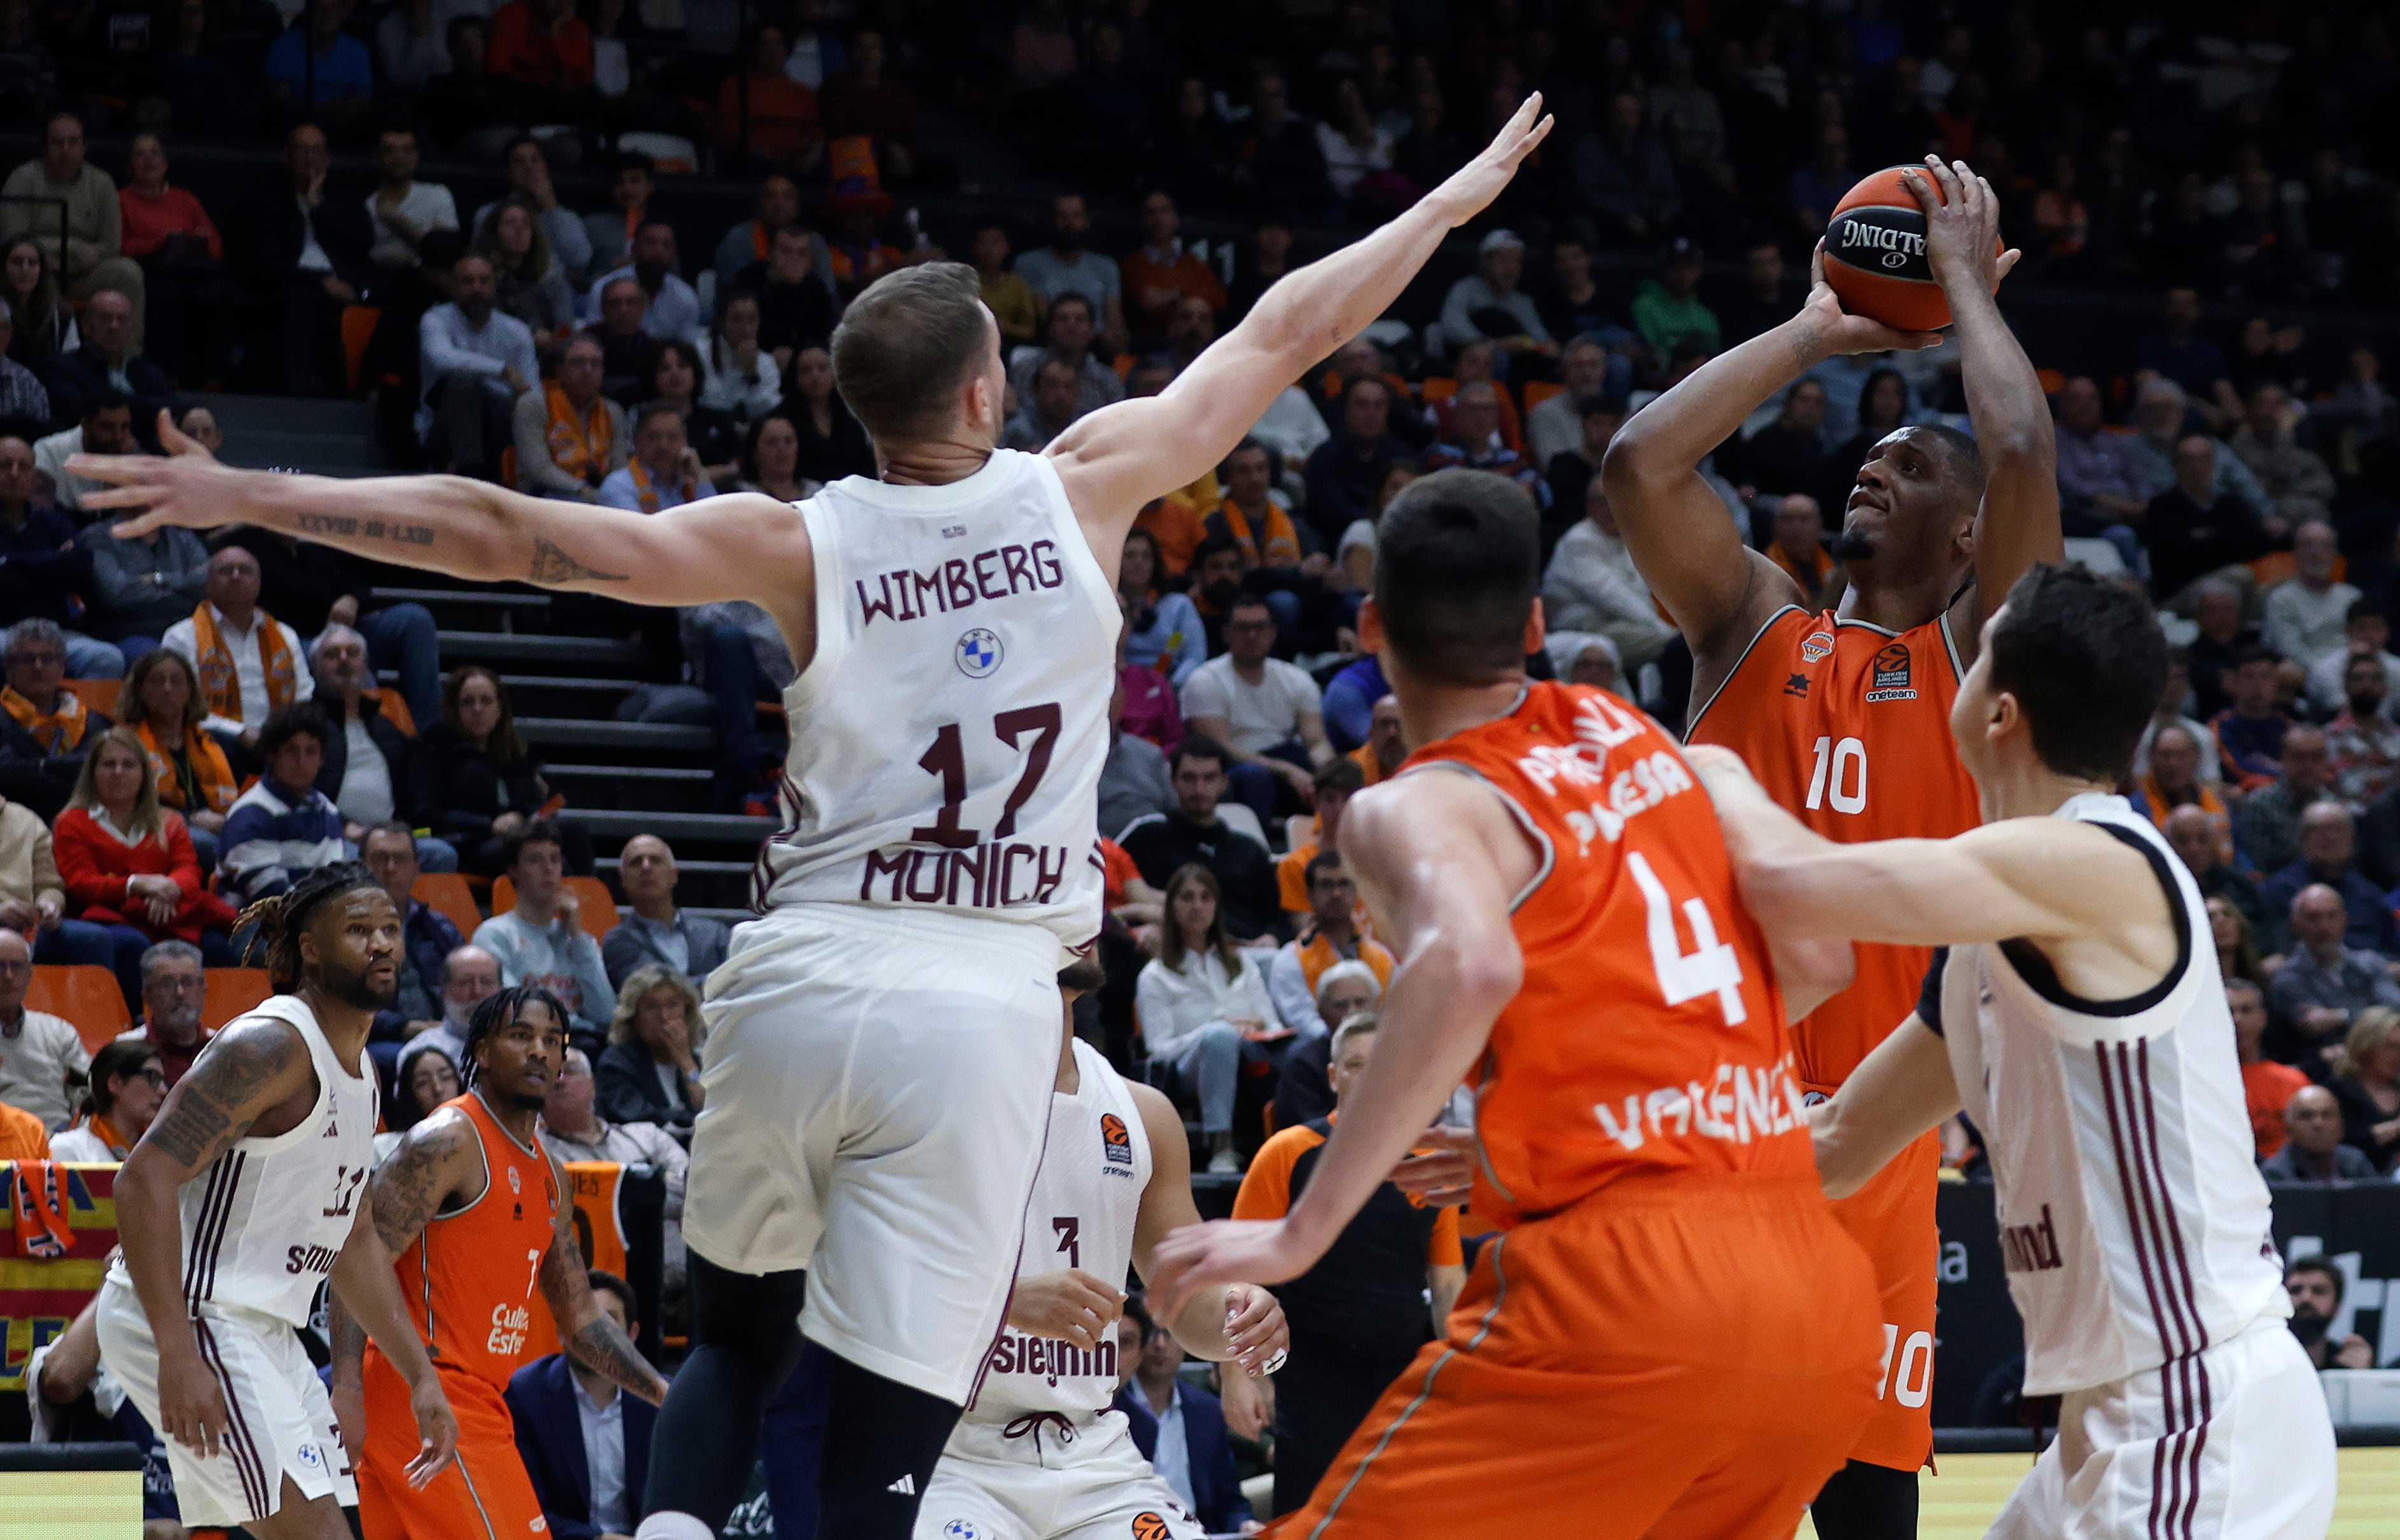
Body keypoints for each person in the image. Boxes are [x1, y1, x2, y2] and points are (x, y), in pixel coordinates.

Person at [69, 99, 1552, 1540]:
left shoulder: (798, 539)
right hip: (970, 997)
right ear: (984, 392)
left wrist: (256, 486)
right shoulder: (1085, 484)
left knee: (735, 1338)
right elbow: (1282, 328)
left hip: (791, 974)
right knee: (885, 1442)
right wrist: (1442, 202)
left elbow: (512, 531)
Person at [1151, 468, 1883, 1538]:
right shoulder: (1677, 758)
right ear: (1537, 622)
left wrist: (1301, 1232)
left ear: (1370, 626)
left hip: (1623, 1293)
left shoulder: (1419, 802)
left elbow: (1470, 966)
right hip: (1812, 1295)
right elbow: (1819, 953)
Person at [1599, 156, 2058, 1536]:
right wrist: (1812, 327)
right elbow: (1639, 462)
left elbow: (2024, 450)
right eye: (1867, 450)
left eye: (1910, 462)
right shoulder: (1753, 620)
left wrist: (1964, 289)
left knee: (1864, 1521)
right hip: (1703, 1138)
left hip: (1874, 1156)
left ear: (1965, 531)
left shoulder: (1978, 661)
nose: (1872, 459)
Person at [1698, 564, 2338, 1540]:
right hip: (2106, 1424)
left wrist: (1704, 767)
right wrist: (1563, 1162)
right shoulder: (1991, 935)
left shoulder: (2098, 860)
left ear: (1996, 714)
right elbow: (1831, 1147)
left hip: (2196, 1409)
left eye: (1976, 653)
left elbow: (1792, 883)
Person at [94, 864, 461, 1539]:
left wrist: (420, 1376)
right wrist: (177, 1349)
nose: (382, 943)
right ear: (311, 948)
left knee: (317, 1532)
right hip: (196, 1315)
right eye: (358, 930)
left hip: (263, 1328)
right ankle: (35, 1502)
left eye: (389, 929)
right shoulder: (270, 1046)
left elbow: (354, 1244)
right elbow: (141, 1179)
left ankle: (36, 1507)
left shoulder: (363, 1074)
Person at [919, 961, 1285, 1540]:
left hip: (1089, 1450)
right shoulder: (923, 1093)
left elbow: (1195, 1317)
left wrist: (1245, 1317)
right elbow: (857, 1292)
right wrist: (1006, 1301)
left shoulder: (1141, 1114)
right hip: (949, 1451)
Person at [333, 982, 667, 1540]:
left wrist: (663, 1391)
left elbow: (582, 1323)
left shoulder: (552, 1178)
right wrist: (346, 1390)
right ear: (482, 1052)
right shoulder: (448, 1140)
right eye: (520, 1036)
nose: (539, 1050)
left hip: (475, 1397)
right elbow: (353, 1261)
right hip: (422, 1389)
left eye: (551, 1040)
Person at [1232, 1012, 1463, 1516]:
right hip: (1311, 1377)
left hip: (1401, 1372)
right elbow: (1238, 1275)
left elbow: (1447, 1284)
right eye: (1356, 1064)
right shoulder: (1288, 1152)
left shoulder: (1429, 1162)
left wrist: (1462, 1372)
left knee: (1400, 1515)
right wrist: (1239, 1376)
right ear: (1334, 1077)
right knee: (1309, 1513)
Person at [53, 725, 239, 996]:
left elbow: (188, 868)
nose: (118, 772)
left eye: (128, 765)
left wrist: (167, 888)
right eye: (108, 764)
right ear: (92, 773)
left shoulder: (170, 821)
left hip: (170, 913)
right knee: (132, 945)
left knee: (215, 946)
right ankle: (140, 1022)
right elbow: (81, 882)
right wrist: (136, 884)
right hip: (106, 918)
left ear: (144, 774)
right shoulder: (71, 822)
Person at [1136, 864, 1281, 1173]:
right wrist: (1215, 1030)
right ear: (1172, 907)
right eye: (1187, 898)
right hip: (1186, 1066)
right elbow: (1159, 1049)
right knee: (1219, 1039)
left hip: (1249, 1052)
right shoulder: (1156, 975)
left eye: (1205, 897)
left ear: (1216, 906)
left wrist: (1252, 1026)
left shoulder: (1241, 963)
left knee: (1300, 1046)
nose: (1197, 906)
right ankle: (1221, 1145)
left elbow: (1274, 1025)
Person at [506, 1268, 663, 1539]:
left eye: (608, 1321)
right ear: (560, 1331)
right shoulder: (525, 1396)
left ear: (633, 1333)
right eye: (579, 1319)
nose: (594, 1333)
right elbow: (524, 1510)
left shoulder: (661, 1400)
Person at [1109, 1298, 1257, 1536]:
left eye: (1170, 1334)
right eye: (1153, 1335)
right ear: (1140, 1347)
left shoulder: (1207, 1411)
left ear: (1190, 1342)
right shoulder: (1110, 1406)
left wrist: (1244, 1523)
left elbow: (1229, 1501)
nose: (1160, 1345)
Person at [1181, 595, 1332, 827]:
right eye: (1242, 628)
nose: (1252, 636)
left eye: (1260, 627)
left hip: (1287, 760)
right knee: (1256, 777)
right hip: (1234, 768)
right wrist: (1286, 770)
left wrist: (1329, 774)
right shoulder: (1205, 681)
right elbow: (1220, 748)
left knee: (1328, 773)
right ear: (1226, 634)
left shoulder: (1297, 679)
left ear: (1272, 632)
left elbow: (1316, 742)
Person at [1117, 740, 1282, 941]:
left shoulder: (1249, 850)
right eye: (1189, 779)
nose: (1199, 789)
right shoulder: (1146, 838)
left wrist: (1272, 937)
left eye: (1209, 778)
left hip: (1249, 952)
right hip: (1171, 947)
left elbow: (1277, 916)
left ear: (1224, 782)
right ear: (1173, 782)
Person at [162, 545, 312, 756]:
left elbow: (303, 697)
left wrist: (281, 734)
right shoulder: (182, 636)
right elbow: (180, 706)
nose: (236, 576)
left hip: (280, 743)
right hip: (213, 742)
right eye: (225, 571)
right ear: (208, 583)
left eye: (245, 571)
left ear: (259, 583)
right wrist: (240, 732)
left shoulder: (285, 635)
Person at [408, 666, 557, 877]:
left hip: (520, 835)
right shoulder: (434, 748)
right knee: (527, 852)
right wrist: (491, 825)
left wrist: (532, 811)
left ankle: (582, 904)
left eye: (486, 701)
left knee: (572, 831)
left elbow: (529, 802)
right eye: (468, 702)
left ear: (499, 708)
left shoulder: (515, 751)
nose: (477, 709)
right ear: (454, 710)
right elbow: (426, 812)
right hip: (468, 842)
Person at [472, 821, 614, 1041]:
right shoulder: (494, 935)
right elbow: (516, 1013)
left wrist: (578, 937)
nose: (548, 868)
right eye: (535, 860)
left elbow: (606, 1014)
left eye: (555, 860)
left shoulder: (576, 939)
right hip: (532, 1043)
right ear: (514, 871)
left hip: (582, 1041)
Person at [0, 113, 146, 322]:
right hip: (38, 271)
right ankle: (48, 349)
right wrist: (70, 251)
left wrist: (79, 260)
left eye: (73, 142)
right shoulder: (22, 179)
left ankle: (127, 353)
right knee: (31, 269)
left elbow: (112, 244)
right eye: (58, 143)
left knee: (128, 272)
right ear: (45, 147)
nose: (65, 150)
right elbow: (12, 240)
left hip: (86, 271)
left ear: (84, 147)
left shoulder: (102, 183)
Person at [1539, 476, 1676, 674]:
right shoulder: (1579, 542)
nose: (1611, 507)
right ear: (1589, 506)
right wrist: (1663, 629)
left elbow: (1641, 594)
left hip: (1623, 623)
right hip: (1584, 630)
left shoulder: (1627, 537)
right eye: (1603, 501)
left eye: (1618, 499)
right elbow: (1614, 597)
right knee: (1673, 644)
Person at [418, 253, 536, 478]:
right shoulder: (435, 320)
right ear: (453, 287)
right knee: (464, 383)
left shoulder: (517, 331)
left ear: (494, 286)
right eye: (468, 281)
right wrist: (502, 370)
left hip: (499, 424)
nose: (477, 289)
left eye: (484, 281)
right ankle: (468, 471)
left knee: (525, 404)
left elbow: (531, 389)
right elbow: (442, 359)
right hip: (443, 430)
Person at [218, 705, 345, 906]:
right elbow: (269, 896)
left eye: (310, 752)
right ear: (272, 756)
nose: (301, 762)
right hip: (256, 925)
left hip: (314, 920)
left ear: (322, 759)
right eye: (291, 751)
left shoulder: (327, 810)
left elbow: (336, 881)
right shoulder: (250, 814)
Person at [117, 648, 235, 864]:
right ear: (140, 691)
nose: (167, 689)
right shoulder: (125, 744)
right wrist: (190, 819)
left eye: (177, 681)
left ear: (190, 689)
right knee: (203, 844)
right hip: (153, 828)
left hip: (217, 823)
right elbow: (125, 805)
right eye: (157, 681)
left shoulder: (212, 741)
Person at [1267, 852, 1393, 1041]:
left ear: (1356, 892)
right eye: (1327, 885)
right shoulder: (1290, 961)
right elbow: (1305, 1024)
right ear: (1309, 895)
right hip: (1324, 1052)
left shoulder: (1382, 956)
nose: (1337, 893)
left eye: (1344, 884)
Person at [1, 618, 114, 822]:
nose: (38, 667)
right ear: (9, 670)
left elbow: (103, 773)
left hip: (86, 823)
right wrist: (67, 770)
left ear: (62, 667)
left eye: (48, 659)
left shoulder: (92, 721)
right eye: (27, 659)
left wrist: (40, 767)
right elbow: (6, 777)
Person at [2258, 803, 2398, 954]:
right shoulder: (2281, 890)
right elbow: (2281, 951)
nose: (2331, 837)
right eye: (2320, 830)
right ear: (2302, 838)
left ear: (2353, 838)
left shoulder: (2371, 894)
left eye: (2338, 829)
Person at [43, 288, 176, 436]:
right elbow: (77, 412)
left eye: (122, 319)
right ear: (86, 325)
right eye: (106, 318)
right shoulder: (62, 369)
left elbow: (171, 410)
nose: (114, 326)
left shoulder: (147, 372)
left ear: (132, 329)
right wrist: (145, 408)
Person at [603, 834, 729, 989]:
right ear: (623, 880)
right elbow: (657, 991)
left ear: (674, 875)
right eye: (636, 862)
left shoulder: (715, 933)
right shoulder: (617, 942)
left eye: (656, 860)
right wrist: (722, 982)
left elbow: (741, 981)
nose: (646, 867)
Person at [513, 335, 627, 503]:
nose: (588, 370)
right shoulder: (533, 405)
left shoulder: (613, 411)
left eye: (595, 364)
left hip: (600, 494)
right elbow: (537, 468)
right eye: (578, 363)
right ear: (559, 371)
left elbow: (619, 467)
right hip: (545, 495)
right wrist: (582, 489)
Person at [596, 964, 704, 1135]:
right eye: (651, 1007)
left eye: (672, 1005)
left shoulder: (699, 1060)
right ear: (634, 1017)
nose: (664, 1016)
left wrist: (686, 1062)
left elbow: (711, 1109)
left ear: (687, 1011)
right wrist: (692, 1122)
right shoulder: (616, 1064)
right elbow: (640, 1117)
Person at [1014, 192, 1126, 351]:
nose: (1069, 223)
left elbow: (1116, 324)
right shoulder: (1028, 263)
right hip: (1049, 350)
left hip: (1100, 350)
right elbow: (1044, 320)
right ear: (1052, 221)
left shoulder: (1106, 266)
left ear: (1087, 222)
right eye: (1062, 216)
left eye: (1076, 216)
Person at [0, 923, 87, 1129]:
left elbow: (87, 1093)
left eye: (17, 966)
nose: (8, 976)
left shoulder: (59, 1031)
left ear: (30, 974)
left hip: (59, 1143)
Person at [2235, 725, 2334, 879]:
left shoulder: (2334, 808)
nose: (2308, 766)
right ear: (2283, 759)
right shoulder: (2259, 806)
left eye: (2316, 758)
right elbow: (2259, 870)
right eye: (2299, 757)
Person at [1007, 292, 1124, 422]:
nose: (1071, 326)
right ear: (1050, 328)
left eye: (1080, 320)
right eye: (1062, 319)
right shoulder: (1025, 369)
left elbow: (1118, 422)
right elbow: (1016, 418)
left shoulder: (1108, 380)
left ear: (1092, 330)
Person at [2229, 979, 2309, 1160]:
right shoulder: (2203, 1082)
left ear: (2263, 1018)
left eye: (2246, 1010)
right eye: (2228, 1011)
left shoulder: (2293, 1080)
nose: (2237, 1020)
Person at [2264, 520, 2359, 670]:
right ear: (2295, 552)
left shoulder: (2353, 597)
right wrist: (2326, 673)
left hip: (2350, 671)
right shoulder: (2281, 599)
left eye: (2325, 546)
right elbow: (2291, 650)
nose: (2317, 553)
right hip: (2305, 674)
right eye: (2308, 545)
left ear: (2335, 553)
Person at [50, 1037, 164, 1160]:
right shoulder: (69, 1148)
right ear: (115, 1083)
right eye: (152, 1078)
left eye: (162, 1080)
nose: (164, 1090)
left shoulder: (161, 1158)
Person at [589, 223, 701, 347]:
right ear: (634, 248)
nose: (659, 252)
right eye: (651, 243)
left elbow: (687, 351)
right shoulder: (604, 288)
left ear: (675, 254)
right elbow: (592, 342)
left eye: (667, 245)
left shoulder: (686, 297)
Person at [115, 938, 208, 1086]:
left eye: (188, 982)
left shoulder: (223, 1047)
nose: (180, 993)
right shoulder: (125, 1051)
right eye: (167, 984)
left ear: (204, 990)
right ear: (147, 996)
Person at [785, 343, 876, 485]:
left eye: (822, 368)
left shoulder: (851, 420)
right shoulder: (784, 421)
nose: (815, 376)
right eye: (806, 370)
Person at [2329, 1007, 2400, 1174]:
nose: (2397, 1055)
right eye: (2390, 1046)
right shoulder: (2338, 1090)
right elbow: (2348, 1143)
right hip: (2357, 1182)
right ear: (2366, 1045)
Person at [2261, 1085, 2380, 1183]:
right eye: (2306, 1116)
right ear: (2288, 1128)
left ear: (2341, 1126)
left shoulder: (2356, 1163)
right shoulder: (2275, 1174)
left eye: (2327, 1115)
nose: (2318, 1124)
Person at [2283, 1258, 2376, 1370]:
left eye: (2318, 1291)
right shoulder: (2261, 1356)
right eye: (2296, 1290)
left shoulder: (2347, 1363)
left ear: (2337, 1305)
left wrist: (2360, 1377)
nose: (2306, 1298)